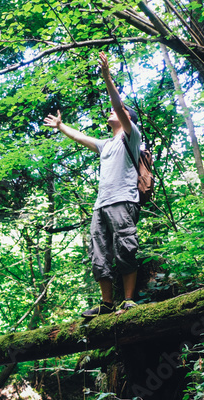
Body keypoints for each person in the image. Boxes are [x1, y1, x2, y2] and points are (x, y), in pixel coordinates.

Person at [43, 52, 143, 318]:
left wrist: (107, 78)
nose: (111, 112)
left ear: (127, 118)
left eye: (117, 112)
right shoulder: (106, 144)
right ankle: (107, 303)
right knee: (98, 254)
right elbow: (81, 137)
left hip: (123, 201)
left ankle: (129, 300)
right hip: (101, 206)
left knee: (126, 247)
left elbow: (119, 106)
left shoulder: (131, 138)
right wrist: (62, 126)